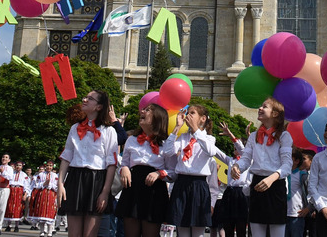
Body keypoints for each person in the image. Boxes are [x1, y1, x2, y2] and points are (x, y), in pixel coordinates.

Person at [57, 90, 119, 237]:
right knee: (74, 234)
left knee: (90, 234)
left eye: (90, 99)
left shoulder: (109, 131)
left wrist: (104, 192)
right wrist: (60, 184)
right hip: (75, 178)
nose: (84, 100)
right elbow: (66, 157)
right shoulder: (74, 128)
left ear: (99, 107)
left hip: (96, 180)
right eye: (85, 97)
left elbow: (111, 164)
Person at [231, 98, 293, 237]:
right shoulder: (253, 136)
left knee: (277, 230)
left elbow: (287, 165)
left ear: (275, 113)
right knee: (256, 229)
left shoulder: (284, 136)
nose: (260, 108)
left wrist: (272, 178)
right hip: (257, 184)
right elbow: (246, 159)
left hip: (276, 185)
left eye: (265, 106)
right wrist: (236, 166)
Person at [115, 103, 175, 237]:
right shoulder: (132, 140)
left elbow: (174, 172)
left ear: (157, 118)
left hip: (154, 189)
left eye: (147, 110)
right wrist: (124, 168)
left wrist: (159, 173)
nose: (142, 111)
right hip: (133, 187)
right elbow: (124, 162)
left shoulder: (166, 144)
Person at [166, 104, 218, 237]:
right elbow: (167, 152)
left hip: (199, 185)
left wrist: (196, 130)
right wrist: (177, 127)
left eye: (192, 113)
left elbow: (211, 151)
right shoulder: (183, 137)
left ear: (203, 119)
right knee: (182, 230)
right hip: (182, 184)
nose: (188, 115)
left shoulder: (209, 138)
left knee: (197, 231)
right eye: (187, 112)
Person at [211, 122, 249, 237]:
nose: (234, 148)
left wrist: (231, 135)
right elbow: (218, 153)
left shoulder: (247, 159)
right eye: (234, 147)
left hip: (241, 193)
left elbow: (241, 148)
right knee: (227, 224)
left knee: (241, 224)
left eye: (236, 147)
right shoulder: (230, 160)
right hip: (229, 193)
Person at [30, 160, 61, 237]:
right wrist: (44, 184)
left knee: (50, 213)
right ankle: (42, 231)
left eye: (50, 166)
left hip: (51, 194)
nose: (49, 167)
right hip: (42, 194)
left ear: (53, 167)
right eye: (47, 165)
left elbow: (57, 187)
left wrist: (50, 184)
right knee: (41, 212)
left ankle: (50, 232)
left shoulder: (55, 176)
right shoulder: (40, 175)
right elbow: (36, 185)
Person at [286, 148, 310, 237]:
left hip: (297, 214)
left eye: (289, 158)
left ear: (296, 161)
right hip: (283, 214)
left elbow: (310, 191)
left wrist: (308, 208)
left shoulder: (302, 175)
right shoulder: (282, 174)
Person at [4, 160, 32, 232]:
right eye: (17, 165)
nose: (18, 167)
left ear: (22, 167)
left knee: (18, 208)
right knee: (9, 207)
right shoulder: (11, 173)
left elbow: (27, 186)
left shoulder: (24, 175)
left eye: (20, 165)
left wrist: (25, 194)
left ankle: (16, 226)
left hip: (19, 191)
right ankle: (8, 225)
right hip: (11, 190)